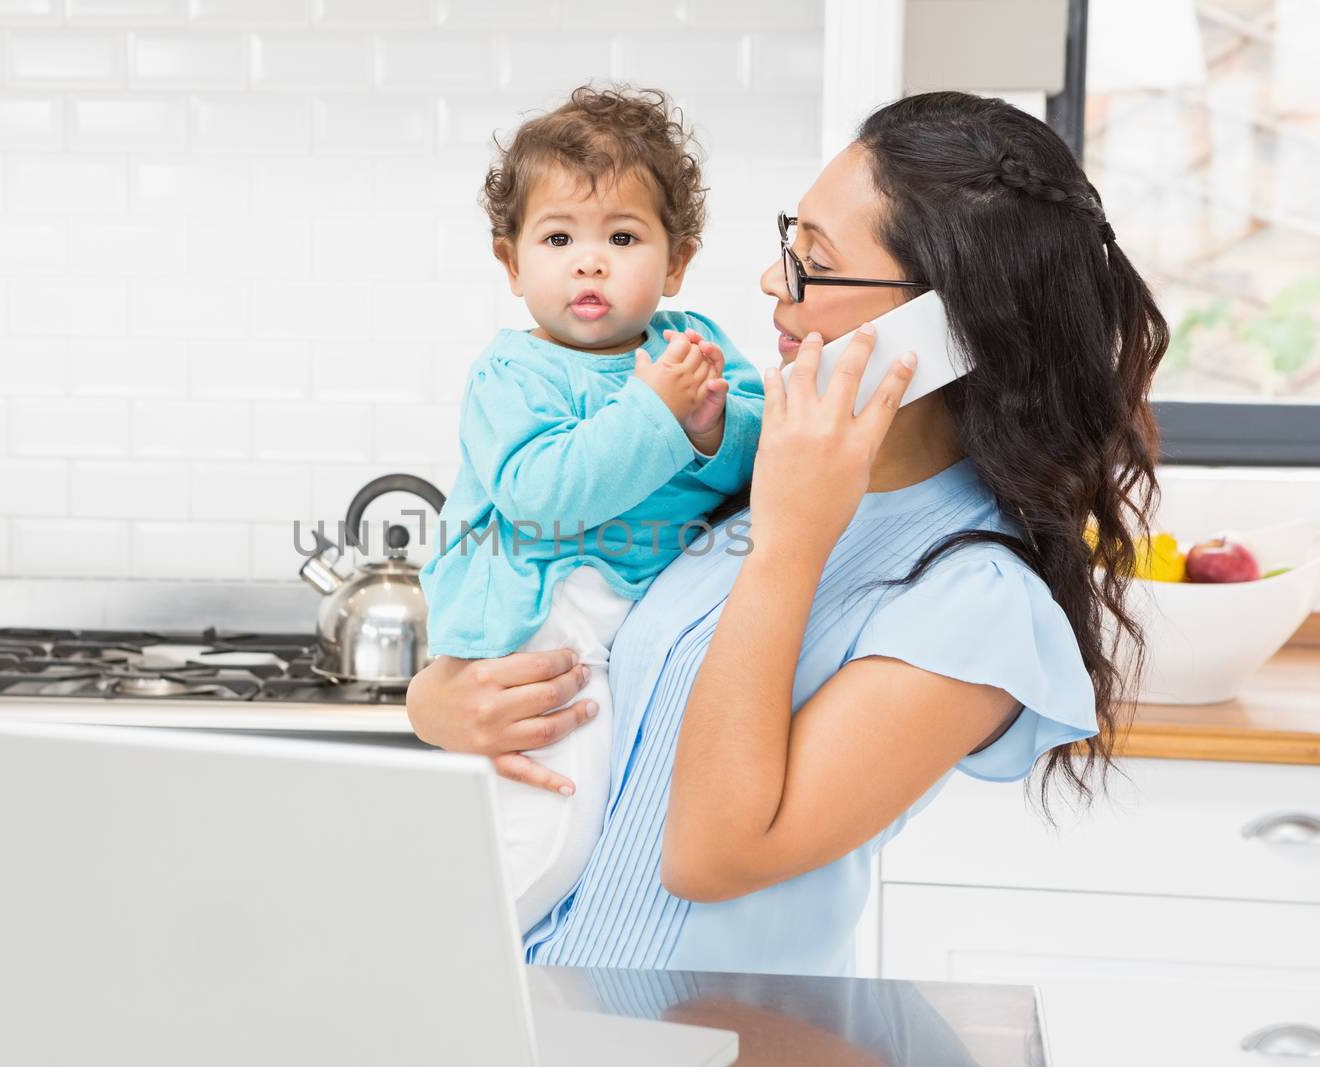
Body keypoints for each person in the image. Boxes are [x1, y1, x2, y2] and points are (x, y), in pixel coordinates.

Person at [408, 90, 1167, 975]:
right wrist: (443, 704)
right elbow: (562, 598)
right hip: (545, 1007)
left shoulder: (975, 602)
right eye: (787, 243)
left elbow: (714, 855)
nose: (774, 282)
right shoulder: (739, 450)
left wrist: (790, 544)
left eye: (813, 261)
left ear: (947, 321)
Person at [418, 86, 765, 931]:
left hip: (620, 609)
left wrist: (717, 423)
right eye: (559, 238)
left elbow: (763, 461)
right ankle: (475, 959)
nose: (590, 261)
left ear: (676, 262)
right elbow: (540, 498)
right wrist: (654, 415)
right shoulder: (513, 376)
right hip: (542, 616)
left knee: (591, 816)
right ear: (512, 264)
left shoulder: (692, 350)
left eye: (622, 237)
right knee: (552, 825)